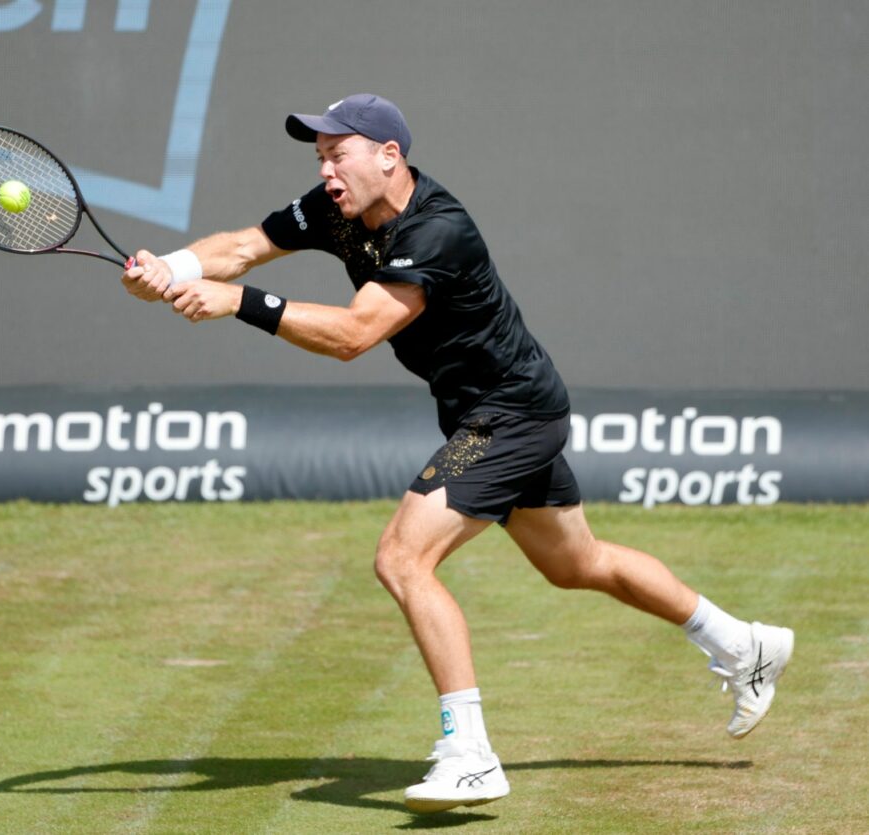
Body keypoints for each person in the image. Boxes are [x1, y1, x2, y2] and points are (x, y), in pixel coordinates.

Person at [119, 94, 794, 814]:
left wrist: (239, 303)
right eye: (319, 155)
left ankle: (469, 754)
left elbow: (353, 334)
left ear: (389, 155)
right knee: (577, 564)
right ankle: (744, 643)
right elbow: (243, 244)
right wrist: (173, 264)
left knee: (403, 558)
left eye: (337, 152)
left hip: (508, 413)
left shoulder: (438, 230)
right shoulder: (334, 205)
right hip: (499, 407)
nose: (326, 170)